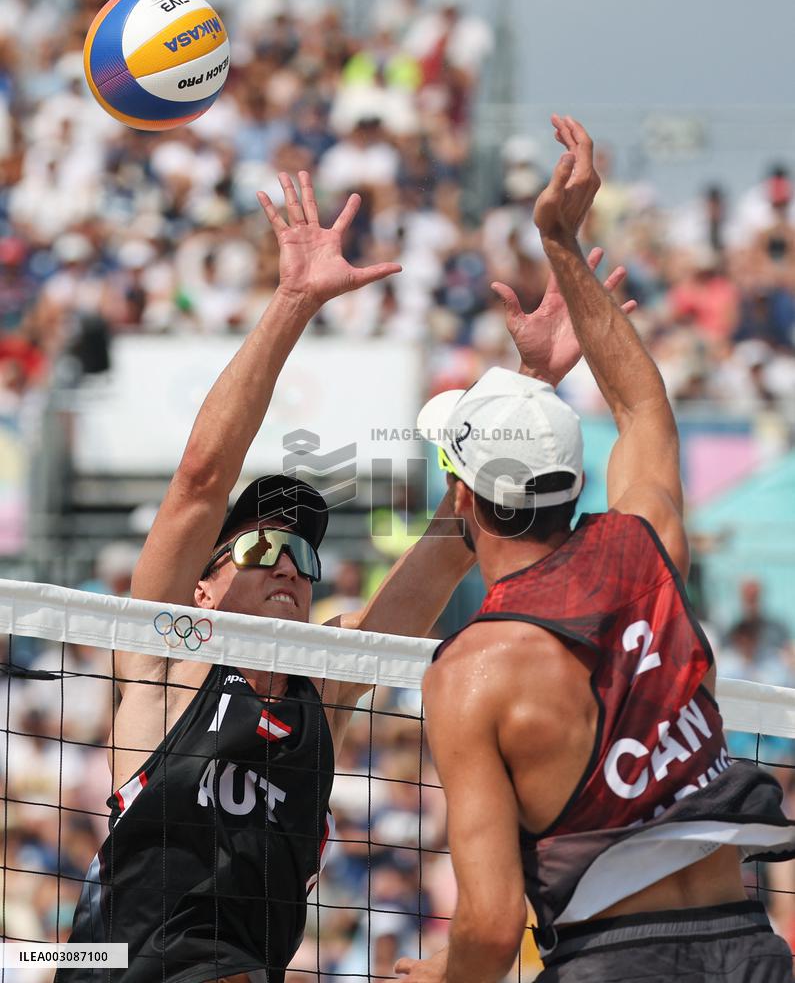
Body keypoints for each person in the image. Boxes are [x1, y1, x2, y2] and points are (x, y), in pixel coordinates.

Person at [395, 118, 795, 983]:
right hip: (751, 948)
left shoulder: (471, 672)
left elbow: (492, 928)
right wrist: (562, 243)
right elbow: (644, 408)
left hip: (611, 964)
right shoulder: (643, 550)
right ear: (571, 484)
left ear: (462, 496)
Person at [60, 173, 478, 983]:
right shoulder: (162, 664)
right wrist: (293, 300)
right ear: (202, 594)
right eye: (256, 550)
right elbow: (199, 481)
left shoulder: (322, 695)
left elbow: (452, 544)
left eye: (304, 556)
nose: (287, 564)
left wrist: (521, 407)